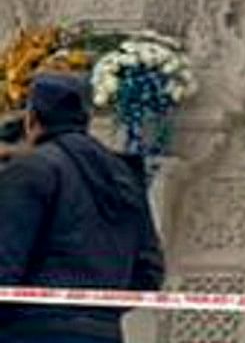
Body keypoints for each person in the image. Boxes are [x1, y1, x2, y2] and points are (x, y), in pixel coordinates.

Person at [0, 72, 163, 343]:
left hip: (30, 330)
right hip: (103, 333)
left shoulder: (32, 169)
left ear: (31, 119)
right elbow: (149, 271)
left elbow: (4, 259)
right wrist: (97, 314)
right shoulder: (124, 175)